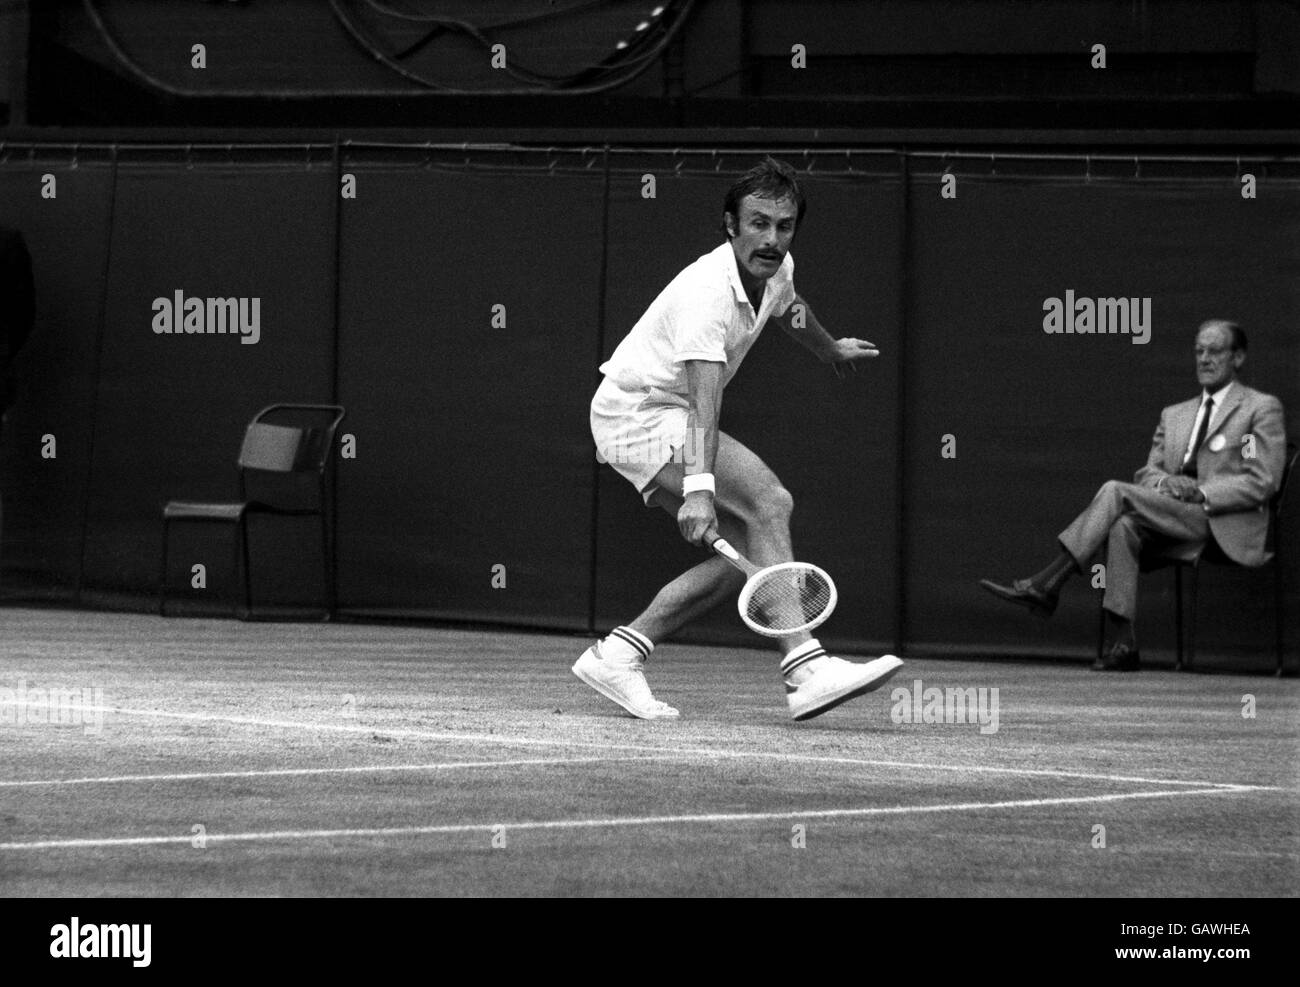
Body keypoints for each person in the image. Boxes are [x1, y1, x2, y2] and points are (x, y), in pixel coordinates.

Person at [575, 157, 903, 720]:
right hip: (637, 416)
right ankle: (805, 667)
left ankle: (618, 655)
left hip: (664, 414)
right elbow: (706, 404)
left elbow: (790, 308)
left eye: (784, 224)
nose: (772, 238)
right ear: (730, 225)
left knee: (747, 554)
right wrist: (700, 492)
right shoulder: (708, 293)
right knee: (769, 500)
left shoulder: (775, 268)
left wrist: (829, 350)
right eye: (758, 223)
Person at [980, 320, 1287, 671]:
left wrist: (1201, 491)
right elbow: (1148, 473)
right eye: (1199, 351)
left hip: (1219, 520)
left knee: (1115, 491)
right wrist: (1167, 485)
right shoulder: (1174, 415)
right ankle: (1124, 644)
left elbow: (1263, 479)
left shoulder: (1260, 408)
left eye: (1214, 351)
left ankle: (1047, 582)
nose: (1204, 359)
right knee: (1122, 526)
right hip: (1170, 514)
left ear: (1239, 357)